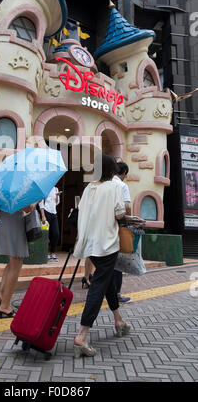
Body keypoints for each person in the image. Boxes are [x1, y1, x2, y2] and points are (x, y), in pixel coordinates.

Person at [73, 153, 130, 357]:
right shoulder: (114, 187)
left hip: (90, 244)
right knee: (99, 285)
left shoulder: (89, 187)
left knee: (106, 282)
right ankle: (82, 334)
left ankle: (118, 320)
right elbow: (119, 214)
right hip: (107, 243)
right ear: (112, 170)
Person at [0, 204, 35, 318]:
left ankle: (0, 294)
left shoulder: (2, 186)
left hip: (3, 220)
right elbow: (27, 208)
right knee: (16, 265)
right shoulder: (20, 186)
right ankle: (5, 306)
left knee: (11, 263)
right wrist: (35, 202)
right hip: (15, 223)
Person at [112, 162, 132, 304]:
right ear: (124, 172)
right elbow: (126, 206)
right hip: (116, 227)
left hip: (101, 228)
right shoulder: (122, 186)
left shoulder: (101, 184)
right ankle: (117, 294)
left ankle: (102, 293)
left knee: (104, 263)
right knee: (117, 262)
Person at [39, 186, 60, 261]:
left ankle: (52, 253)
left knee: (56, 233)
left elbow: (57, 203)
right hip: (46, 211)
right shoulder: (45, 187)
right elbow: (41, 203)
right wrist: (43, 215)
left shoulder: (56, 189)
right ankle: (44, 253)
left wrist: (57, 196)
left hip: (54, 212)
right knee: (46, 234)